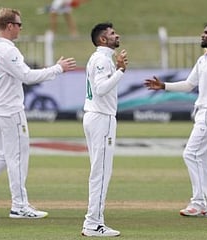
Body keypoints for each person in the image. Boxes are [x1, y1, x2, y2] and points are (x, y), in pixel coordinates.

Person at [0, 7, 77, 219]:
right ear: (10, 26)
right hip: (9, 111)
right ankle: (19, 206)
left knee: (3, 154)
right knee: (18, 157)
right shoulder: (8, 50)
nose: (21, 29)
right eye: (19, 24)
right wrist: (58, 68)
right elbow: (27, 76)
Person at [144, 21, 207, 218]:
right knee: (205, 157)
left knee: (191, 154)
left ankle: (199, 202)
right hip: (204, 111)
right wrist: (163, 86)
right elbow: (188, 84)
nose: (202, 35)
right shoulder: (203, 59)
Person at [81, 22, 127, 237]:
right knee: (101, 173)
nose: (116, 35)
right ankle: (93, 224)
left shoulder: (99, 58)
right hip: (101, 119)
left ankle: (94, 221)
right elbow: (100, 89)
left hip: (94, 117)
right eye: (112, 33)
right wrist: (120, 71)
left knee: (98, 171)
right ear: (102, 39)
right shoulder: (102, 59)